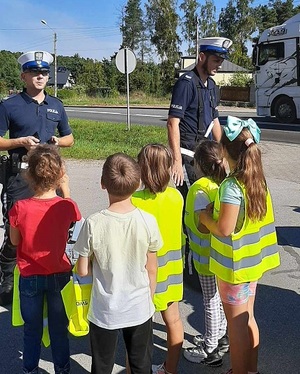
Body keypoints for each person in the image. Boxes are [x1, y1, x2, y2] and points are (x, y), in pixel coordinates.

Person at [199, 116, 281, 374]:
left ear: (224, 151)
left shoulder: (231, 187)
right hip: (252, 265)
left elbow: (224, 229)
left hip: (233, 271)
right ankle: (251, 370)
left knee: (236, 328)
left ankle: (239, 370)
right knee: (249, 319)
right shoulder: (257, 180)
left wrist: (204, 216)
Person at [75, 153, 163, 374]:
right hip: (139, 306)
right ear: (137, 184)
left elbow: (83, 270)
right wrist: (149, 299)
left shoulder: (93, 223)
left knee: (102, 365)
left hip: (105, 308)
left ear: (103, 183)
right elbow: (152, 269)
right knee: (140, 363)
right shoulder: (148, 221)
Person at [0, 50, 74, 306]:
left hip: (50, 175)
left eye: (44, 73)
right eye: (34, 72)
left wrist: (57, 141)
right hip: (20, 174)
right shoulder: (9, 105)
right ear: (24, 76)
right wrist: (19, 141)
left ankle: (49, 275)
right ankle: (7, 276)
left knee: (51, 227)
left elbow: (70, 138)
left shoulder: (56, 105)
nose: (40, 76)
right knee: (16, 230)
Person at [8, 144, 82, 374]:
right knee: (59, 328)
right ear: (60, 174)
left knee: (32, 329)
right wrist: (66, 189)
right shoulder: (66, 206)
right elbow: (74, 221)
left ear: (29, 174)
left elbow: (14, 241)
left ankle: (30, 369)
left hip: (30, 275)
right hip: (60, 276)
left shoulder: (20, 207)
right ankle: (62, 368)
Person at [132, 144, 184, 374]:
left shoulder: (135, 201)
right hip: (172, 271)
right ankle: (170, 369)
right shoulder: (176, 197)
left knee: (138, 329)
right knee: (173, 322)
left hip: (143, 274)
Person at [183, 140, 228, 367]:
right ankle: (220, 336)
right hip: (219, 255)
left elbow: (202, 226)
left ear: (199, 164)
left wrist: (204, 216)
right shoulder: (220, 185)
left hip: (205, 256)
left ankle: (210, 349)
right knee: (218, 299)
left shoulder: (200, 189)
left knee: (210, 300)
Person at [167, 37, 232, 194]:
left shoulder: (211, 86)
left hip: (205, 152)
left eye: (221, 61)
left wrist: (223, 154)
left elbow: (214, 120)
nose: (219, 65)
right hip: (187, 153)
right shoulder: (186, 84)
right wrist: (176, 162)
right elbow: (172, 123)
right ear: (202, 57)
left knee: (209, 195)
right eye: (216, 60)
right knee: (191, 199)